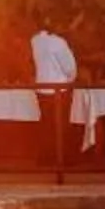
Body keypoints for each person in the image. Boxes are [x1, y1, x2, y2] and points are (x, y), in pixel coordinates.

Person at [29, 10, 78, 168]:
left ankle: (45, 158)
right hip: (59, 89)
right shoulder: (58, 42)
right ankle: (62, 159)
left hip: (42, 87)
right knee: (61, 126)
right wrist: (70, 79)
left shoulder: (35, 40)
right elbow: (69, 66)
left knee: (46, 125)